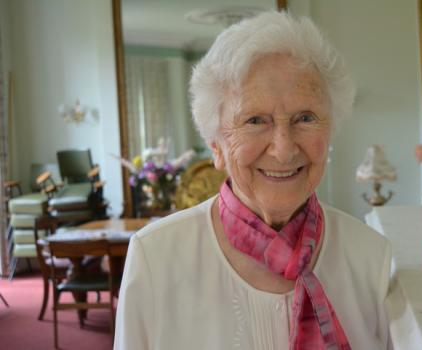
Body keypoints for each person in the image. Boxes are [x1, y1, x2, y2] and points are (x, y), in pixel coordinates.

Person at [114, 11, 392, 350]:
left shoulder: (372, 259)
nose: (284, 149)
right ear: (216, 146)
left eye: (305, 117)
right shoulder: (155, 259)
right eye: (255, 120)